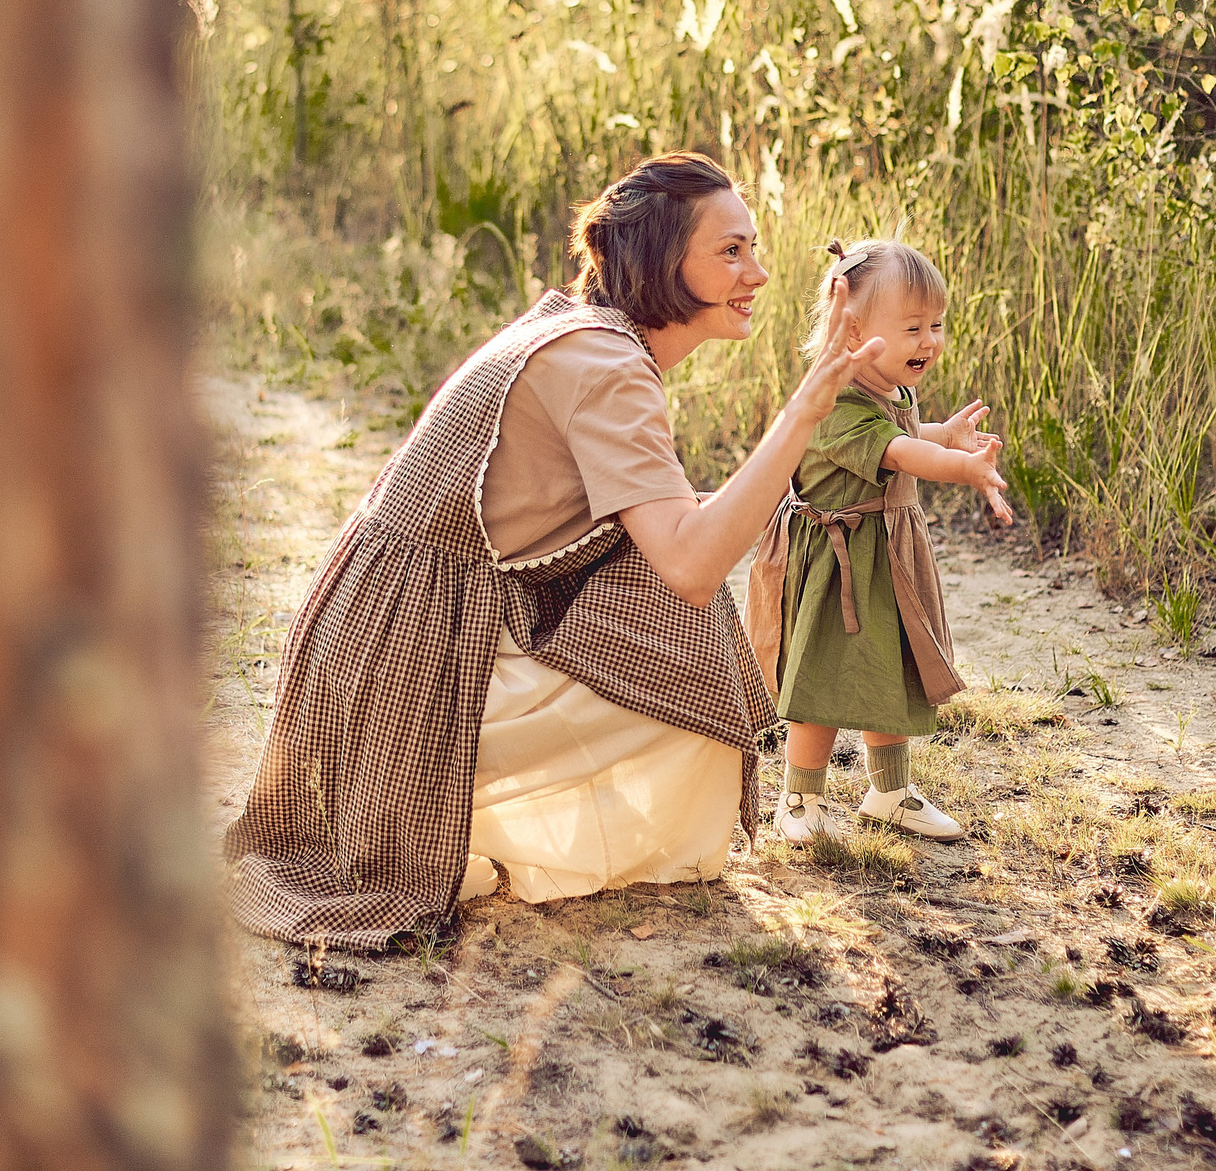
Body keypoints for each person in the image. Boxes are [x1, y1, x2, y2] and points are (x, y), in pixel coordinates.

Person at [225, 153, 887, 950]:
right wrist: (805, 410)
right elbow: (691, 564)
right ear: (660, 261)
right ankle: (476, 814)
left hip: (370, 650)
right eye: (731, 251)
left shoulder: (583, 336)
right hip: (405, 674)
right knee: (692, 619)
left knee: (677, 586)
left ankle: (503, 808)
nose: (759, 271)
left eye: (753, 247)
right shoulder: (606, 366)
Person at [745, 239, 1013, 846]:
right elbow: (900, 452)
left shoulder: (893, 389)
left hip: (884, 555)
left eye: (936, 325)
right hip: (835, 564)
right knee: (819, 677)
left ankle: (889, 792)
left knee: (890, 668)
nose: (929, 341)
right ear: (852, 331)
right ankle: (800, 796)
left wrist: (950, 435)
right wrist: (957, 466)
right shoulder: (836, 402)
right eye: (913, 327)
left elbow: (913, 433)